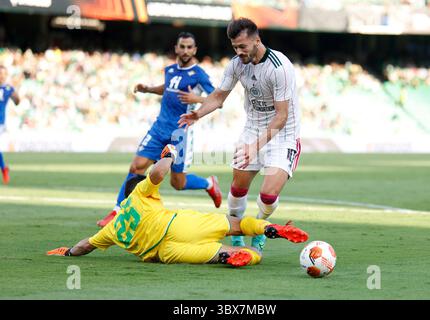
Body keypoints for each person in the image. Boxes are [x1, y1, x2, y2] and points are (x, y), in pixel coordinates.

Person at [47, 144, 309, 267]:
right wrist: (169, 155)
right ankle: (268, 228)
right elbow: (158, 174)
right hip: (179, 224)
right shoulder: (140, 193)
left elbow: (85, 245)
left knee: (223, 253)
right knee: (237, 225)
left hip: (166, 253)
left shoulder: (112, 229)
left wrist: (68, 252)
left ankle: (236, 256)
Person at [178, 18, 301, 251]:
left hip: (283, 134)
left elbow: (282, 115)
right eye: (235, 47)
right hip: (252, 129)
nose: (238, 51)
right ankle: (236, 236)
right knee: (237, 188)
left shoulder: (279, 67)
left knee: (267, 194)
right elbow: (217, 97)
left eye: (242, 46)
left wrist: (255, 146)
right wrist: (198, 114)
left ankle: (260, 228)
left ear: (257, 40)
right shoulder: (236, 64)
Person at [97, 32, 222, 227]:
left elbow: (217, 100)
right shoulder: (170, 69)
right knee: (136, 167)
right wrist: (147, 89)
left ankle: (209, 184)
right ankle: (117, 211)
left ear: (195, 50)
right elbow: (168, 88)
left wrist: (195, 100)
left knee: (177, 183)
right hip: (158, 128)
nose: (186, 50)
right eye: (183, 46)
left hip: (179, 134)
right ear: (176, 48)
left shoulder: (199, 74)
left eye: (190, 47)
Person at [0, 65, 20, 185]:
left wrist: (14, 94)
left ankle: (3, 168)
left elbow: (17, 101)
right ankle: (4, 168)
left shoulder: (8, 88)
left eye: (3, 73)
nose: (1, 75)